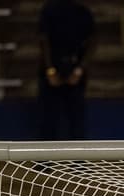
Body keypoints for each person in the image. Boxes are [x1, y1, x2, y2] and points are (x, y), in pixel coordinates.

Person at [38, 0, 95, 140]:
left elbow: (92, 41)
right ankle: (45, 160)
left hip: (75, 69)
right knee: (48, 119)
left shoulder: (83, 12)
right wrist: (50, 70)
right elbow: (43, 40)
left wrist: (79, 70)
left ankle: (77, 160)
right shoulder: (49, 10)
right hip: (51, 69)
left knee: (76, 119)